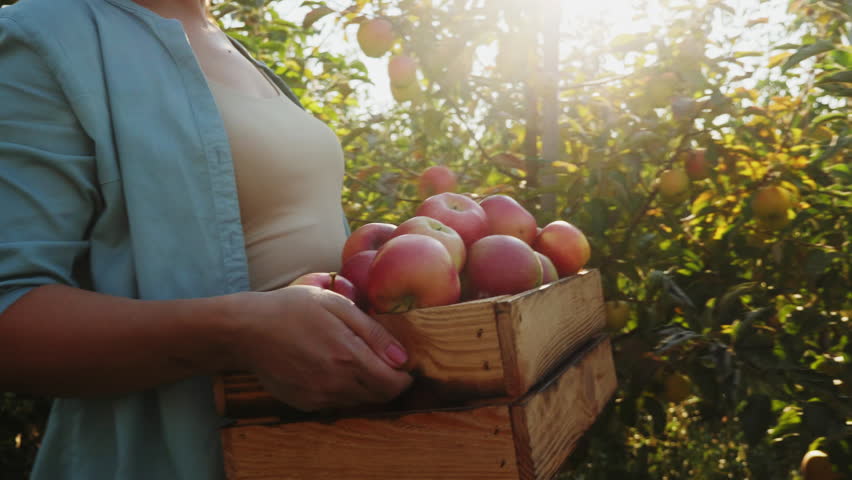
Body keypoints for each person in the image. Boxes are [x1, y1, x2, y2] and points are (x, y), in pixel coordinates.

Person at [0, 0, 412, 478]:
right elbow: (10, 314)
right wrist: (236, 332)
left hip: (322, 451)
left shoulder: (235, 49)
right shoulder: (44, 35)